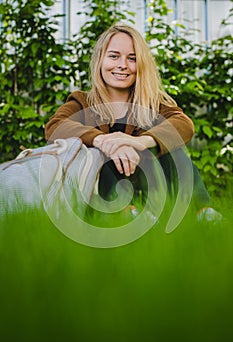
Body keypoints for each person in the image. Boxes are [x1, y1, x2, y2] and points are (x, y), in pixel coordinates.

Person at [45, 23, 219, 222]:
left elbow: (183, 123)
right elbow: (55, 126)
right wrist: (104, 141)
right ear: (100, 60)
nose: (122, 65)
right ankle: (128, 215)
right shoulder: (82, 101)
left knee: (174, 150)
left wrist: (140, 142)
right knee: (94, 154)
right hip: (102, 189)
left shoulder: (152, 102)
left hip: (145, 182)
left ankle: (204, 214)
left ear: (141, 64)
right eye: (113, 56)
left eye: (132, 58)